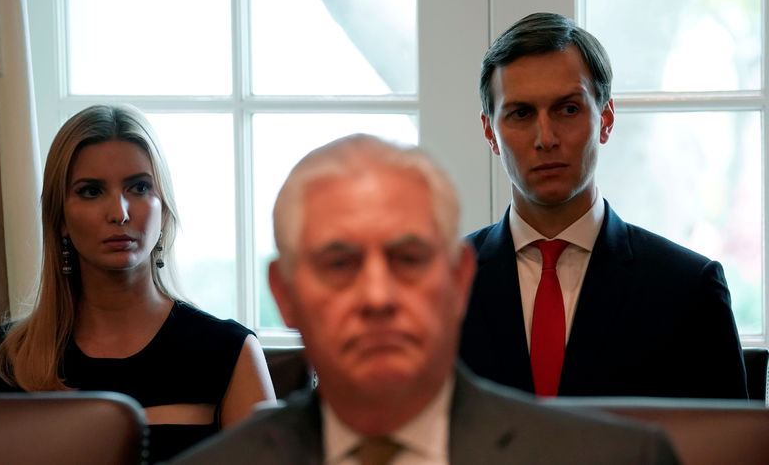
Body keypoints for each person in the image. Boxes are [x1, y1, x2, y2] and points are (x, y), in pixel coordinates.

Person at [172, 134, 677, 464]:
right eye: (339, 265)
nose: (376, 297)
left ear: (459, 279)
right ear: (284, 295)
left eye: (408, 259)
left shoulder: (621, 458)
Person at [459, 12, 747, 399]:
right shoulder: (436, 286)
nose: (546, 138)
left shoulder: (688, 290)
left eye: (568, 109)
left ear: (606, 119)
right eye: (521, 113)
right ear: (489, 132)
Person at [0, 104, 276, 462]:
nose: (119, 213)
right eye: (90, 191)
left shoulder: (230, 352)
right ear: (61, 218)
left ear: (163, 209)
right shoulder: (0, 361)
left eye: (139, 187)